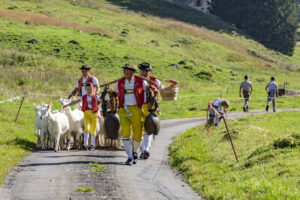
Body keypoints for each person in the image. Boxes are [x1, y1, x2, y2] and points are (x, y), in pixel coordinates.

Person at [138, 62, 177, 160]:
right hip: (137, 106)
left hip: (150, 106)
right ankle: (142, 149)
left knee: (148, 127)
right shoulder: (136, 80)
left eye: (147, 71)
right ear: (140, 71)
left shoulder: (154, 80)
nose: (145, 73)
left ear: (149, 71)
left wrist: (172, 85)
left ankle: (145, 149)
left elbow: (162, 90)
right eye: (143, 71)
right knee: (138, 128)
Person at [114, 64, 148, 165]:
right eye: (126, 73)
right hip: (123, 110)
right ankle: (129, 156)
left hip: (136, 110)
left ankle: (135, 152)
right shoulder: (119, 82)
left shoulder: (141, 81)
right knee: (126, 132)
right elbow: (115, 93)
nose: (128, 75)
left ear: (134, 73)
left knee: (138, 135)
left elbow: (149, 92)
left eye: (130, 73)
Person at [63, 83, 101, 150]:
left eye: (90, 89)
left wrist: (98, 99)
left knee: (93, 129)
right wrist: (67, 105)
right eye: (88, 89)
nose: (89, 91)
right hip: (86, 113)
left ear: (93, 89)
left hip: (94, 113)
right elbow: (76, 101)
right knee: (86, 128)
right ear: (85, 89)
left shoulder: (95, 96)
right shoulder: (84, 97)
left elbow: (100, 100)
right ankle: (85, 144)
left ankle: (92, 145)